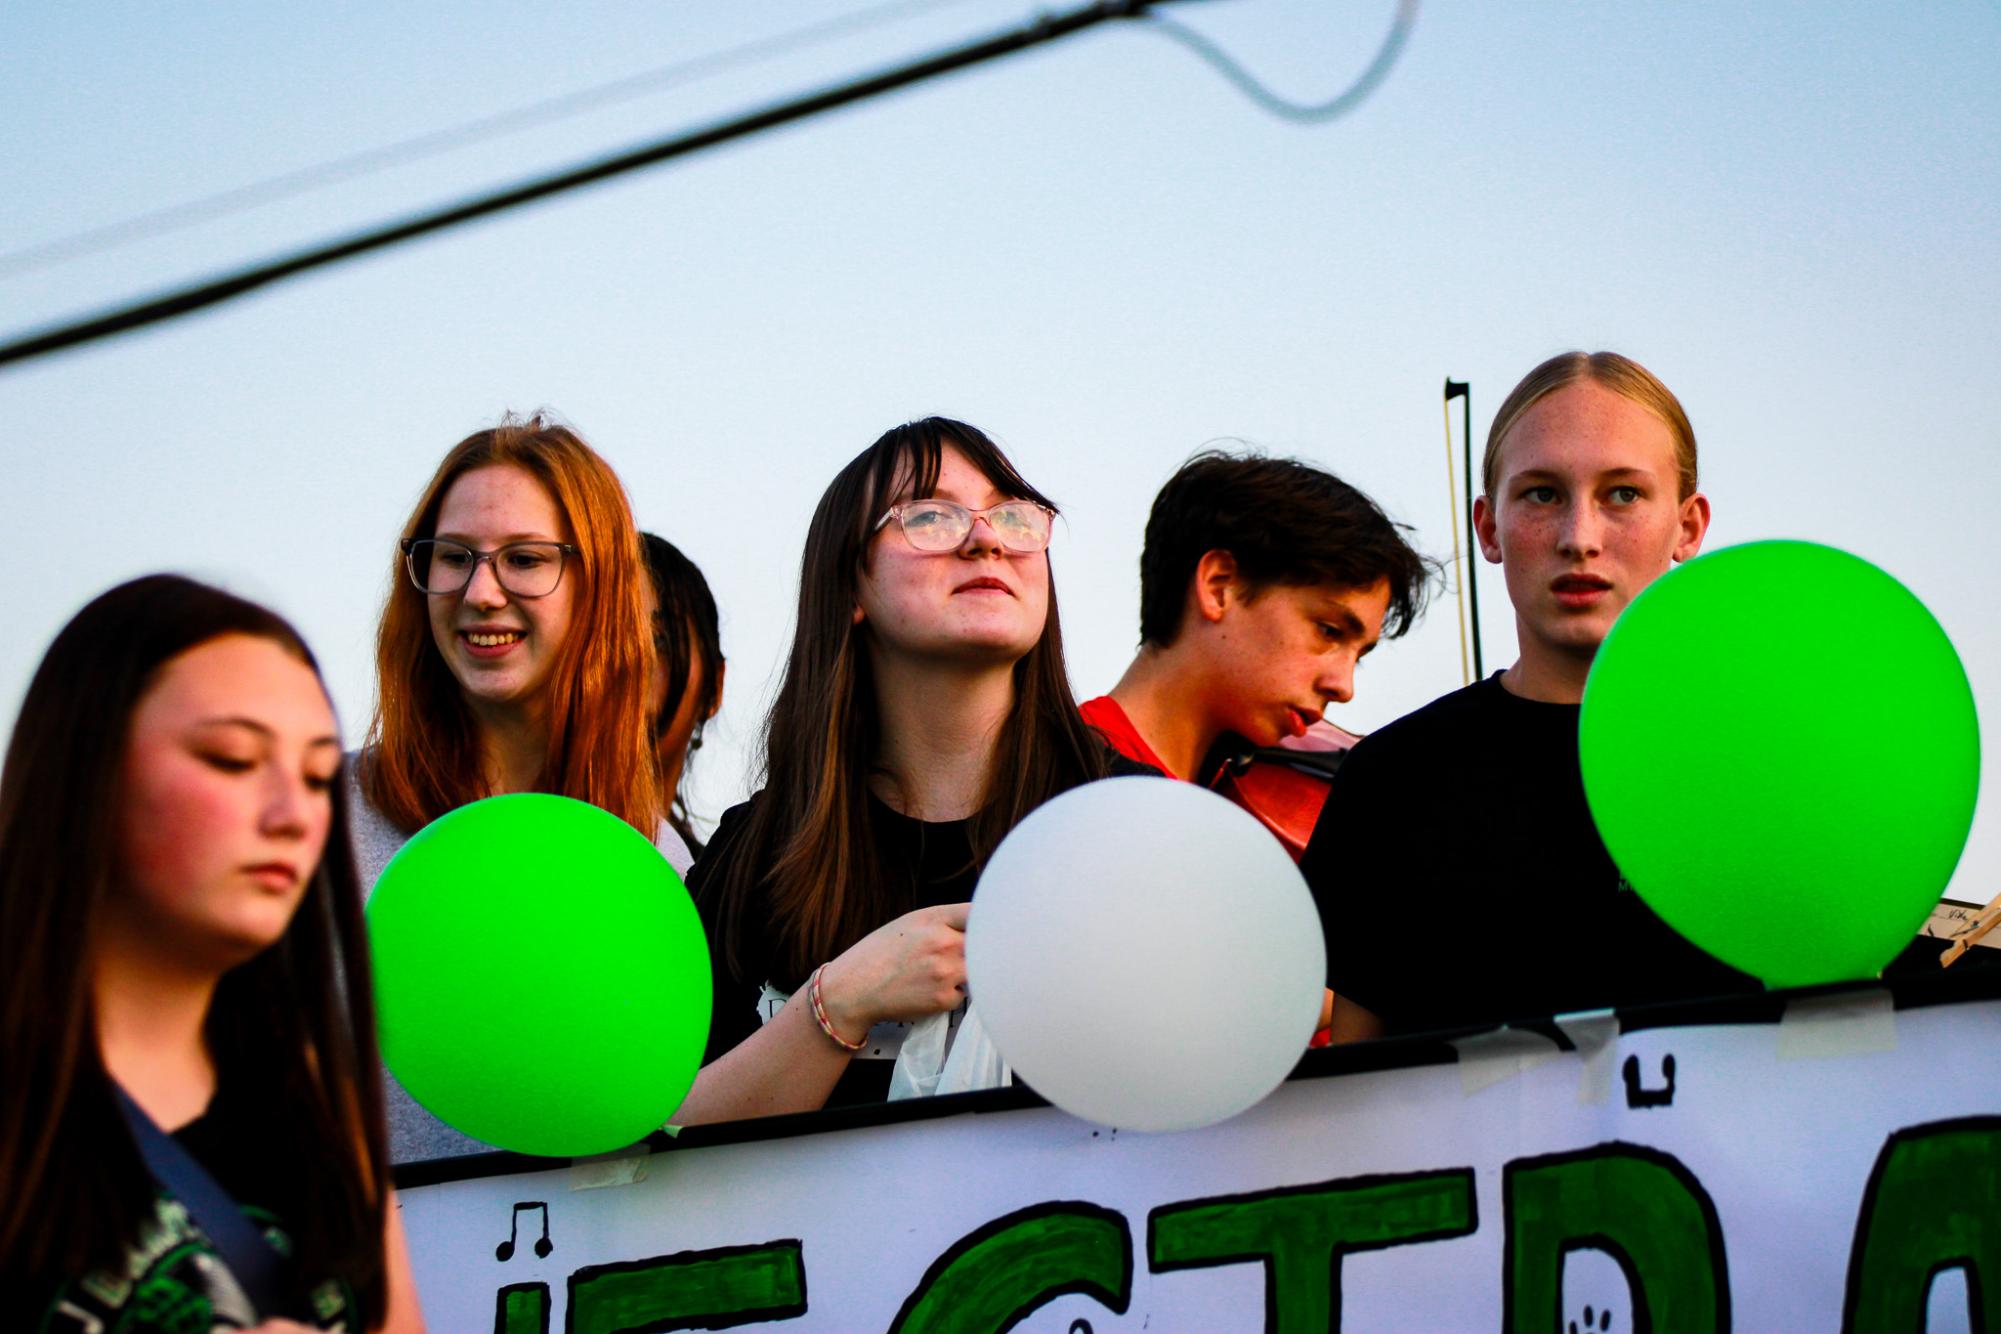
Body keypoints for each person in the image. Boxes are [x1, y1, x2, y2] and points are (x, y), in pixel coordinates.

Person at [677, 417, 1151, 1123]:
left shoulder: (1139, 825)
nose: (986, 538)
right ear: (850, 588)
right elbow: (662, 1145)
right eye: (930, 515)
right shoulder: (755, 856)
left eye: (1014, 515)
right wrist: (835, 1006)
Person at [0, 576, 422, 1332]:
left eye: (320, 776)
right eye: (231, 759)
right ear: (84, 767)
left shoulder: (317, 1104)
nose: (295, 814)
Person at [1302, 351, 1757, 1041]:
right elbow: (1357, 1098)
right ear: (1487, 527)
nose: (1580, 537)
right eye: (1541, 493)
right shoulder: (1391, 780)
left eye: (1623, 494)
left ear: (1688, 527)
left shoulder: (1768, 766)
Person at [351, 413, 663, 1160]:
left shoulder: (659, 868)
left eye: (525, 560)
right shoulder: (313, 822)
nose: (481, 592)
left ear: (601, 586)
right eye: (453, 557)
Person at [1081, 449, 1435, 792]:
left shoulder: (1252, 794)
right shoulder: (1061, 777)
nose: (1344, 688)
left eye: (1358, 656)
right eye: (1329, 631)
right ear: (1219, 587)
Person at [640, 531, 726, 861]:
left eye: (660, 641)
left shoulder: (723, 897)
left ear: (715, 686)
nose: (631, 661)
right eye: (607, 638)